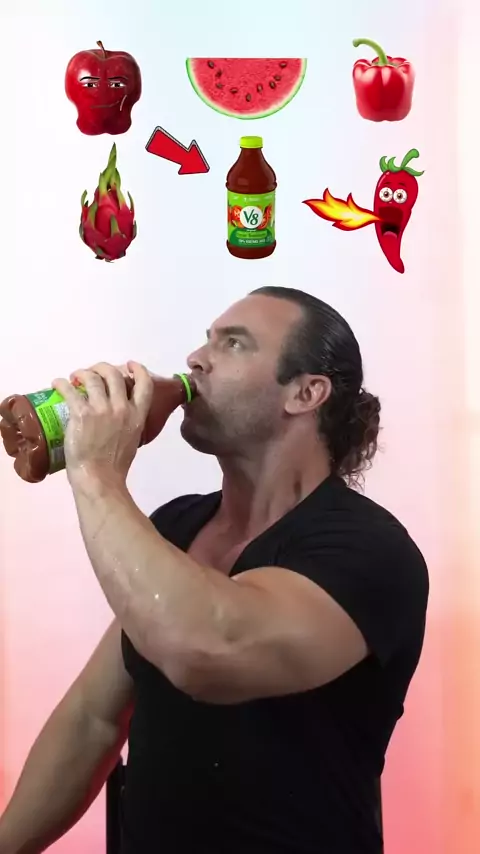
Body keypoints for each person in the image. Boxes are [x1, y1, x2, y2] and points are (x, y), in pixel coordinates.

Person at [0, 286, 429, 854]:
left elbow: (210, 648)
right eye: (206, 340)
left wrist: (97, 474)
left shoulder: (368, 549)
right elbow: (92, 720)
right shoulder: (176, 526)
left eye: (234, 344)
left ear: (305, 393)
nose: (196, 359)